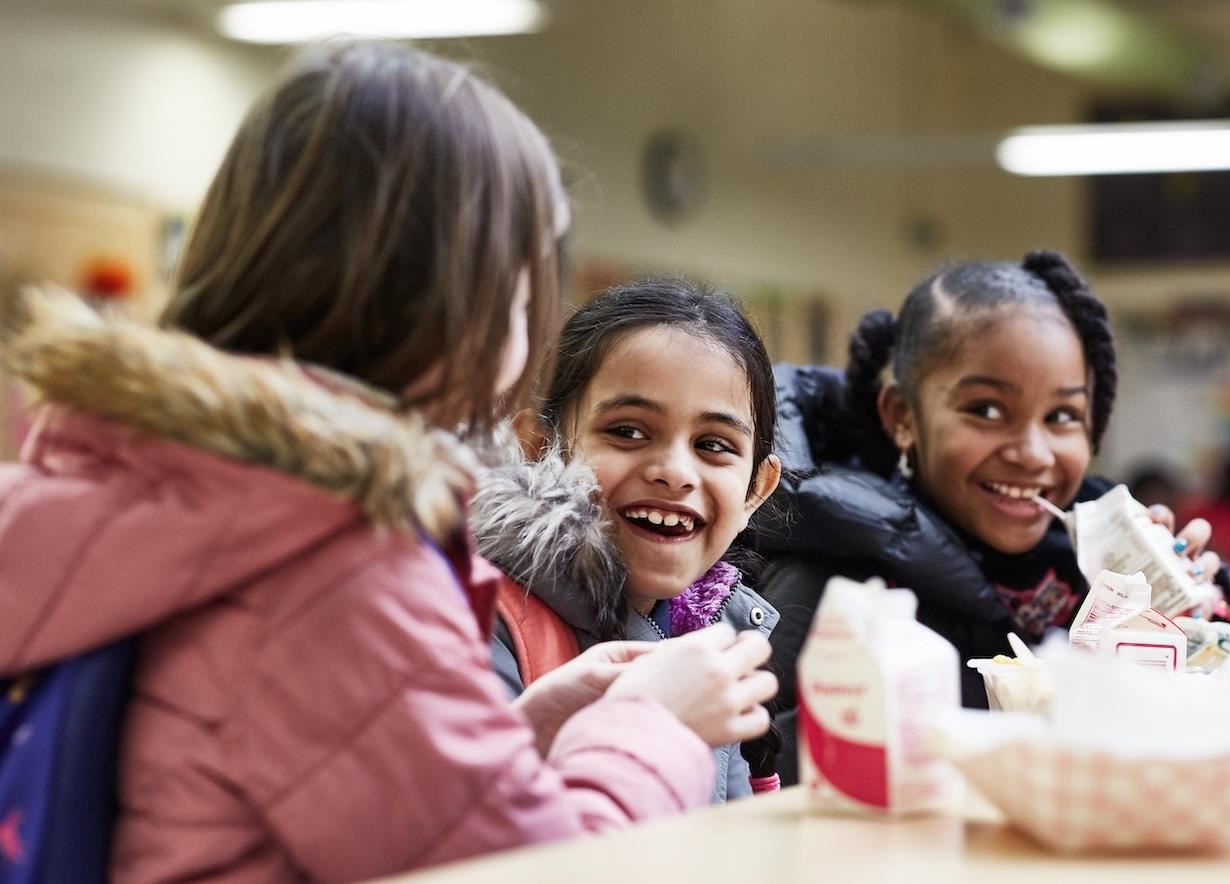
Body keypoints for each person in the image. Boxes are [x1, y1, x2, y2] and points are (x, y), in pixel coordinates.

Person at [0, 42, 776, 882]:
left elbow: (338, 784)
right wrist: (652, 728)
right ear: (455, 305)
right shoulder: (332, 555)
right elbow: (530, 871)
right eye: (520, 296)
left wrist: (526, 730)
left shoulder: (190, 490)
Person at [753, 252, 1230, 784]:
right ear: (903, 418)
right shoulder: (836, 582)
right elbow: (771, 772)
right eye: (986, 410)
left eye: (1062, 416)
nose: (1034, 453)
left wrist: (1191, 626)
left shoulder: (1097, 564)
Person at [477, 279, 785, 801]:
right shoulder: (480, 619)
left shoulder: (724, 638)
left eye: (713, 445)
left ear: (756, 489)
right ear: (538, 447)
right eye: (628, 431)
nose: (674, 472)